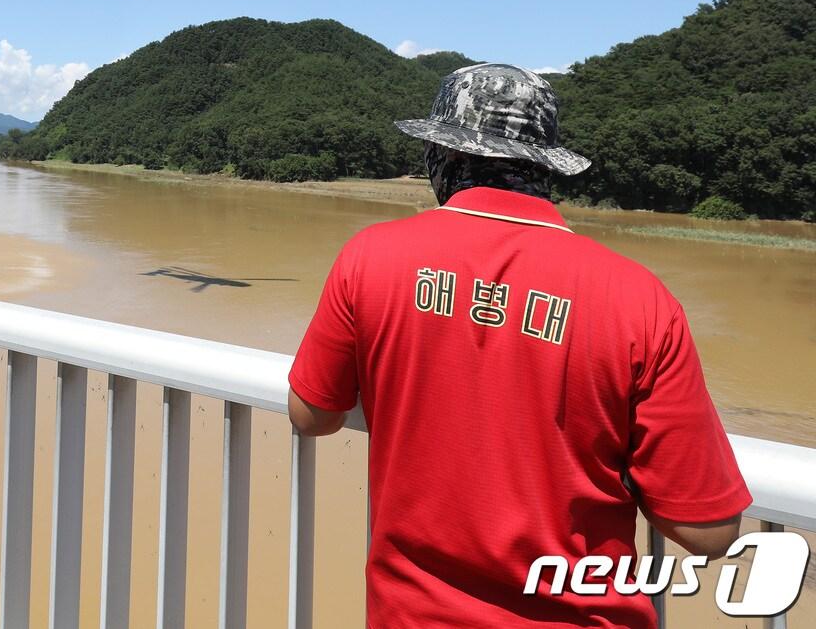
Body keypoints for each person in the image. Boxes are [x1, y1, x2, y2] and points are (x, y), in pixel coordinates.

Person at [287, 63, 750, 628]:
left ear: (446, 157)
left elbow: (312, 415)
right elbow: (710, 531)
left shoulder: (371, 257)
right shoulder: (638, 299)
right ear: (543, 168)